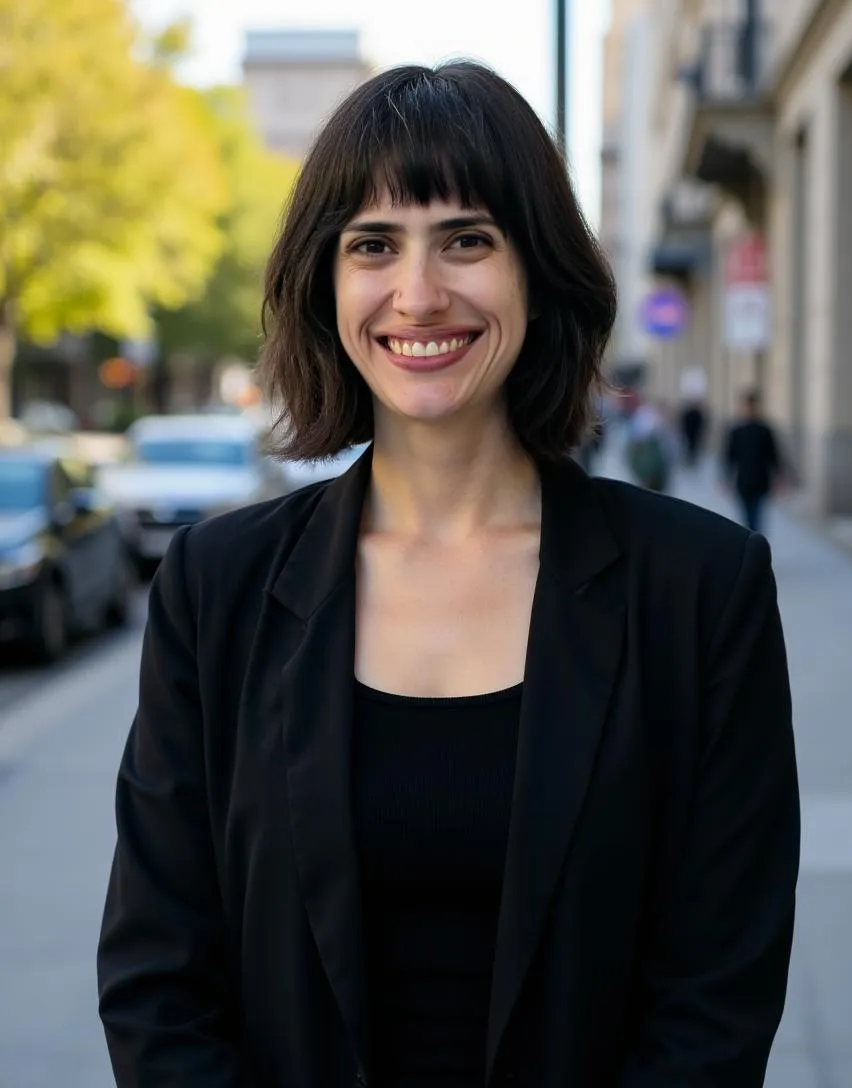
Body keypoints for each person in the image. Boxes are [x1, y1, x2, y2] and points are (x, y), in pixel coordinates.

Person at [97, 62, 799, 1088]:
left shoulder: (699, 587)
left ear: (537, 269)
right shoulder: (218, 584)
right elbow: (158, 973)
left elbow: (716, 995)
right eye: (371, 244)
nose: (417, 293)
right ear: (324, 283)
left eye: (466, 238)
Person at [724, 389, 785, 533]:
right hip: (743, 480)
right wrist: (726, 478)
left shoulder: (764, 430)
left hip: (760, 480)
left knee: (757, 518)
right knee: (746, 517)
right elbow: (729, 457)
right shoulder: (736, 431)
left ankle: (755, 544)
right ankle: (752, 542)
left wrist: (779, 478)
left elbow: (774, 456)